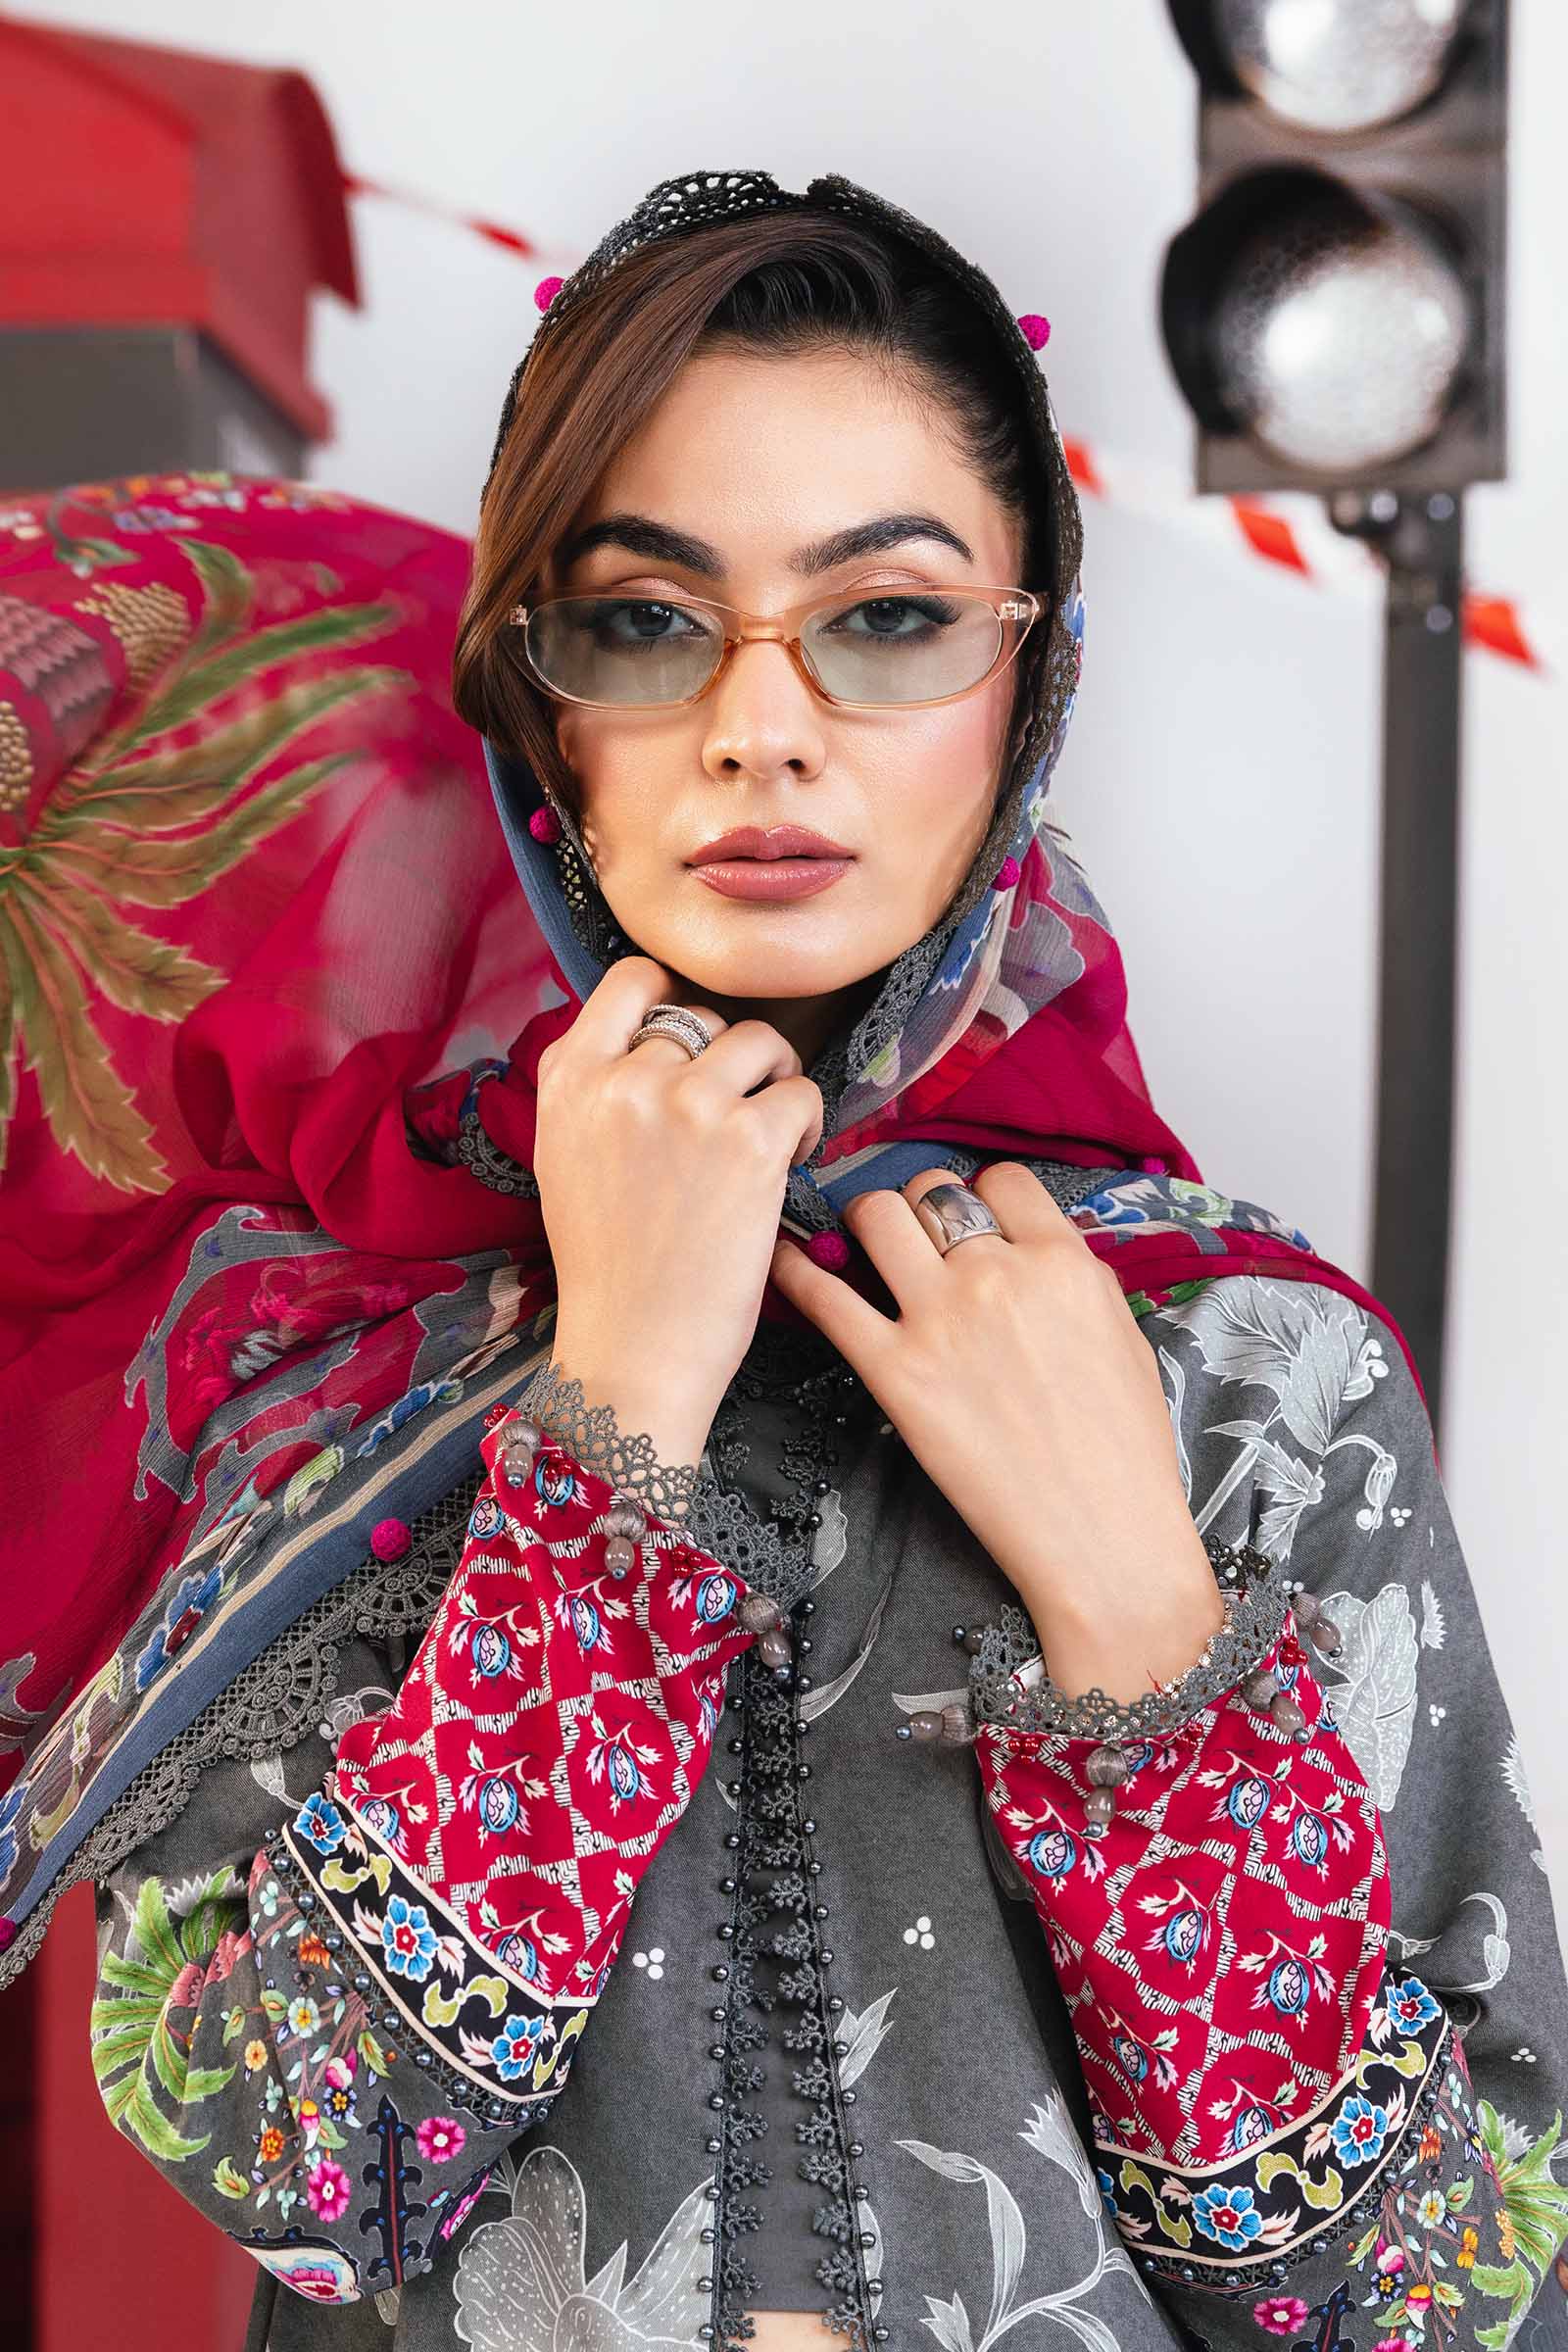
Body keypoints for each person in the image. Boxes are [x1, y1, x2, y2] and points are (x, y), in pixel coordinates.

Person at [1, 167, 1565, 2352]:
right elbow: (297, 2157)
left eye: (889, 618)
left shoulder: (1247, 1372)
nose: (764, 722)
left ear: (1029, 677)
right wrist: (613, 1409)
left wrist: (1139, 1619)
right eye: (647, 620)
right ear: (541, 708)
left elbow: (1440, 2304)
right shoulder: (335, 1365)